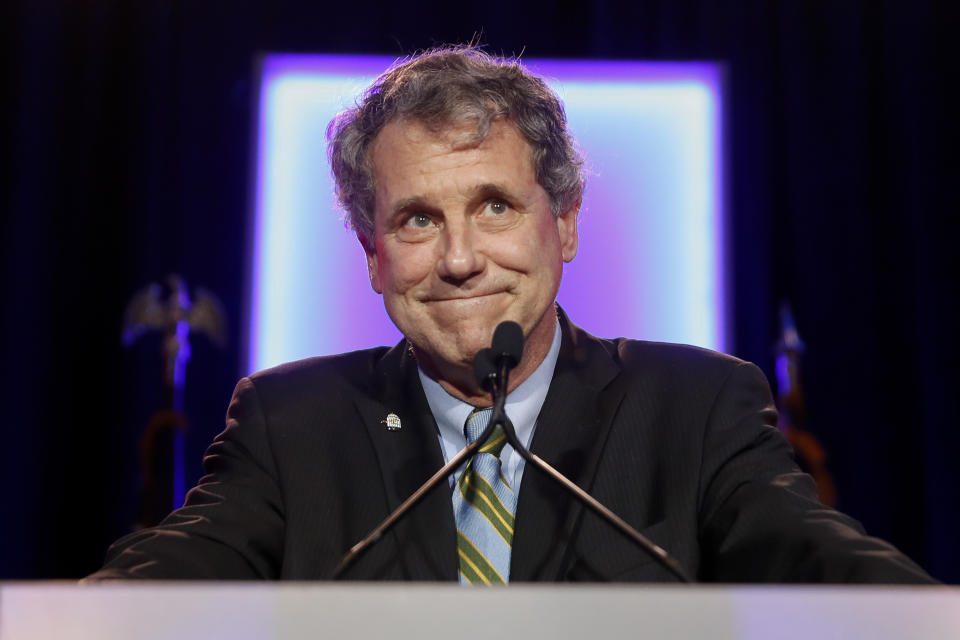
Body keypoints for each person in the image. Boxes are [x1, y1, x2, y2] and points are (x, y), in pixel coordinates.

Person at [89, 46, 934, 583]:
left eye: (495, 207)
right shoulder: (290, 423)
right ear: (372, 252)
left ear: (563, 223)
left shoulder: (697, 407)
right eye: (417, 219)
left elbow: (819, 560)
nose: (459, 259)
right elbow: (174, 572)